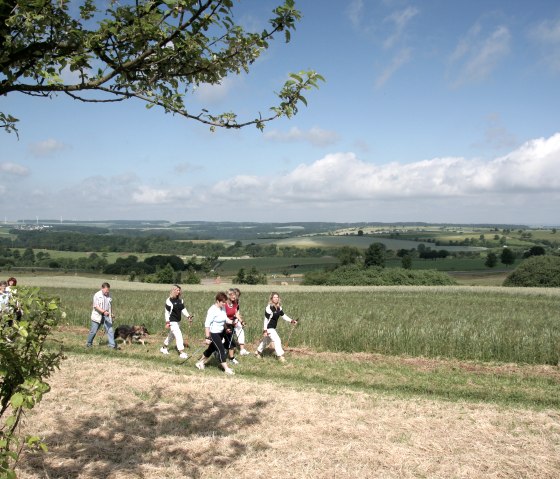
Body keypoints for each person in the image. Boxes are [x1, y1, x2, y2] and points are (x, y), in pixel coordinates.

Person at [195, 292, 235, 375]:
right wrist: (207, 337)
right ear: (217, 301)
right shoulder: (212, 310)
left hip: (220, 333)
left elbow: (225, 319)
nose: (224, 304)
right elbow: (207, 324)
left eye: (225, 302)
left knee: (211, 349)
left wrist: (232, 322)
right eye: (223, 302)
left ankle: (200, 362)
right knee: (221, 350)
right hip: (213, 333)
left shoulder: (222, 308)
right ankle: (226, 369)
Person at [255, 292, 297, 362]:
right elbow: (266, 320)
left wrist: (291, 321)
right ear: (271, 298)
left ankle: (257, 352)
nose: (276, 299)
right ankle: (280, 356)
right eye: (274, 297)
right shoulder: (269, 308)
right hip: (269, 328)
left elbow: (283, 316)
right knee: (277, 340)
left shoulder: (279, 308)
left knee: (266, 341)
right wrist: (265, 330)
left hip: (273, 328)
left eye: (277, 297)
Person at [160, 284, 192, 359]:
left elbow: (183, 309)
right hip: (172, 321)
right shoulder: (169, 301)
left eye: (179, 290)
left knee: (171, 336)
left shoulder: (180, 300)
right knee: (179, 335)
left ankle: (163, 348)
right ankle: (181, 352)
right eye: (177, 290)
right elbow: (166, 312)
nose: (179, 291)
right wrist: (167, 322)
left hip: (178, 321)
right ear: (173, 290)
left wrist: (188, 316)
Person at [86, 282, 118, 349]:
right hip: (97, 315)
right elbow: (95, 306)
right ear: (102, 288)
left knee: (110, 330)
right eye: (106, 290)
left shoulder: (109, 295)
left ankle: (112, 345)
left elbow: (109, 306)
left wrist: (111, 314)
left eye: (108, 290)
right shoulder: (97, 295)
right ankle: (89, 344)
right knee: (93, 331)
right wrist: (103, 312)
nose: (107, 292)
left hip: (106, 316)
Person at [224, 288, 241, 365]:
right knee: (231, 342)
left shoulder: (235, 303)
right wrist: (226, 327)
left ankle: (218, 352)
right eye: (233, 295)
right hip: (223, 325)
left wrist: (241, 321)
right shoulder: (224, 304)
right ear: (229, 295)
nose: (235, 296)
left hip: (231, 324)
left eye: (235, 294)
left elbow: (236, 314)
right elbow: (223, 316)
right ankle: (231, 358)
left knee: (229, 341)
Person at [233, 287, 250, 356]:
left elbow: (237, 312)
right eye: (236, 295)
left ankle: (242, 350)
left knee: (240, 331)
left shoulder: (237, 301)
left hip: (236, 320)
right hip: (228, 321)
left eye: (238, 295)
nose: (237, 297)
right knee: (225, 335)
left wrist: (240, 319)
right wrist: (241, 320)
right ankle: (218, 350)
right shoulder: (229, 301)